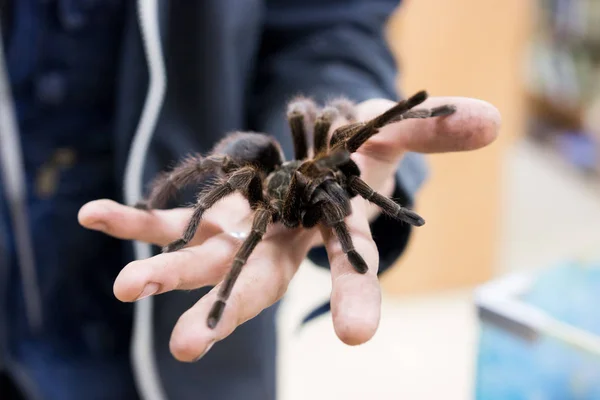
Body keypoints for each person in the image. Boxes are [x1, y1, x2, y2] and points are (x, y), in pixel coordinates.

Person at [0, 0, 500, 399]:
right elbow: (222, 186)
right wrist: (194, 221)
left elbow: (327, 34)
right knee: (221, 177)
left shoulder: (317, 167)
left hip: (180, 378)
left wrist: (363, 115)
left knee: (322, 133)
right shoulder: (260, 196)